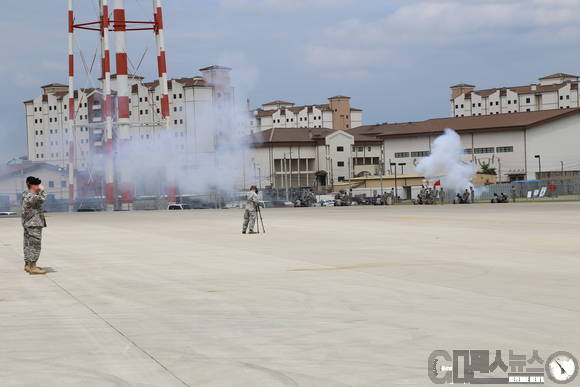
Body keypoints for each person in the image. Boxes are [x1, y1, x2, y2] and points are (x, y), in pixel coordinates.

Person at [22, 176, 47, 275]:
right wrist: (42, 190)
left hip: (29, 224)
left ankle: (28, 265)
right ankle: (33, 267)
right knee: (35, 246)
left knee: (28, 245)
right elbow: (41, 199)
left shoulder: (26, 194)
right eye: (37, 184)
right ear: (32, 185)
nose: (39, 186)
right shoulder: (31, 196)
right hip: (34, 224)